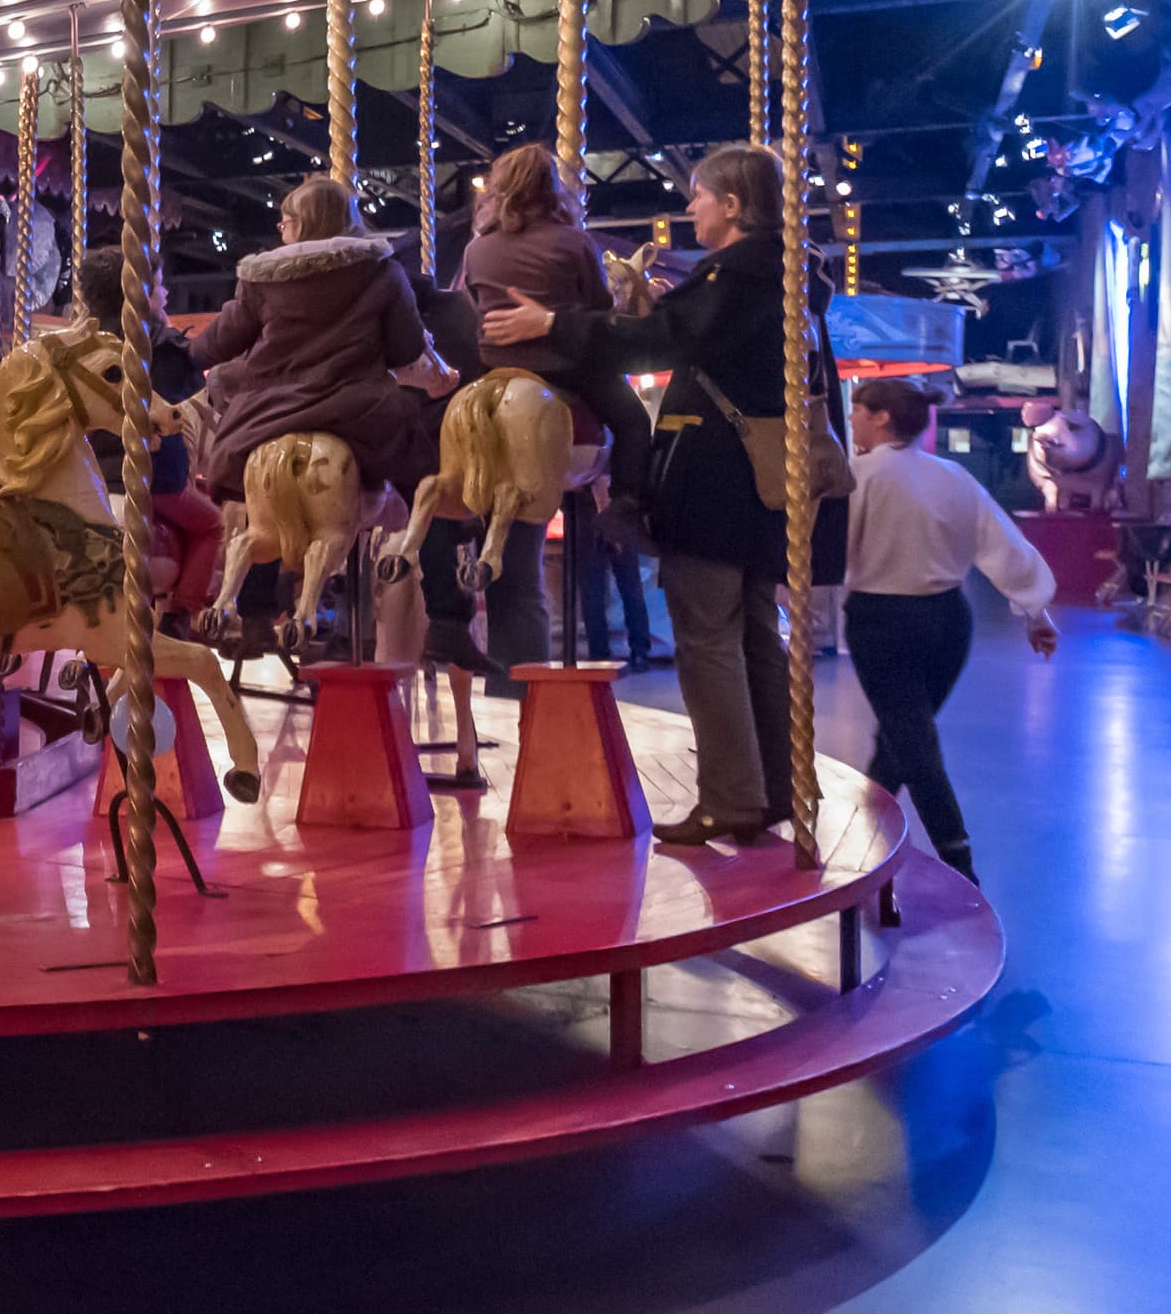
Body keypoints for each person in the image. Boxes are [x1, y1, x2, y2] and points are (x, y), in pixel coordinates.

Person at [481, 143, 838, 846]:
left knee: (708, 640)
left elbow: (659, 341)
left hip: (717, 484)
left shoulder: (739, 274)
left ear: (733, 206)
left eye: (700, 196)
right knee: (756, 638)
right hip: (759, 488)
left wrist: (552, 323)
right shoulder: (781, 276)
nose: (690, 206)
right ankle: (771, 784)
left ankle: (731, 795)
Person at [443, 144, 658, 672]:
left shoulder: (477, 249)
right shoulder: (572, 241)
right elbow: (600, 311)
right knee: (633, 420)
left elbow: (472, 308)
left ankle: (460, 513)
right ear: (551, 188)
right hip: (563, 369)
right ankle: (625, 506)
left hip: (494, 375)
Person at [845, 377, 1058, 884]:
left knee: (913, 743)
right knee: (900, 736)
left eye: (856, 410)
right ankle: (859, 838)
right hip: (948, 622)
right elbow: (1003, 542)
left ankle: (959, 863)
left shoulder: (858, 476)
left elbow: (827, 550)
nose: (850, 419)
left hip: (882, 621)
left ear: (880, 417)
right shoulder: (953, 476)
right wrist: (1035, 610)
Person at [194, 176, 448, 505]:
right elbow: (406, 348)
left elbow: (221, 341)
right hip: (360, 413)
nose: (281, 230)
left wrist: (189, 352)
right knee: (416, 473)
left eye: (284, 222)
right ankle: (419, 540)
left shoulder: (261, 279)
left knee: (233, 485)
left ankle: (253, 552)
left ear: (301, 224)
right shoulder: (383, 271)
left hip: (270, 412)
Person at [50, 250, 222, 613]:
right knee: (213, 526)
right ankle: (182, 612)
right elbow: (183, 400)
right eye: (159, 287)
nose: (166, 296)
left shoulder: (75, 348)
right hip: (152, 478)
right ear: (140, 292)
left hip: (86, 476)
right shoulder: (159, 348)